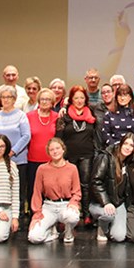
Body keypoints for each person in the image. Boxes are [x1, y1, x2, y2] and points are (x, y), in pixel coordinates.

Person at [0, 86, 31, 219]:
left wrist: (12, 152)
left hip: (17, 160)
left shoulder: (21, 115)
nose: (5, 100)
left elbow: (26, 136)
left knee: (18, 192)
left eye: (8, 97)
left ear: (14, 99)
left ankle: (18, 219)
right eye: (3, 97)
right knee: (0, 191)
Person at [56, 85, 96, 226]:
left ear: (86, 99)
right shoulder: (64, 115)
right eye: (76, 97)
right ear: (71, 99)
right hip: (69, 155)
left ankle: (86, 214)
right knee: (68, 185)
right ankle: (68, 214)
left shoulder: (92, 113)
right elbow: (59, 137)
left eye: (82, 97)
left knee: (85, 184)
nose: (79, 100)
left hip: (87, 154)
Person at [27, 137, 81, 243]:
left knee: (72, 217)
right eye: (51, 150)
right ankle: (52, 233)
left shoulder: (72, 168)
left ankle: (68, 231)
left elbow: (77, 191)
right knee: (34, 237)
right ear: (48, 152)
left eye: (57, 148)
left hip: (65, 205)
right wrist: (36, 214)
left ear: (63, 150)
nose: (55, 151)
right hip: (49, 207)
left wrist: (73, 203)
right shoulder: (42, 169)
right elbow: (37, 192)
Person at [90, 132, 134, 242]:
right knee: (108, 215)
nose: (128, 148)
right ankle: (102, 227)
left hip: (118, 203)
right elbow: (96, 181)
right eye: (126, 144)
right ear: (121, 144)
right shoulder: (106, 157)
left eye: (131, 145)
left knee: (119, 237)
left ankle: (111, 225)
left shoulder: (129, 162)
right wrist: (106, 202)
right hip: (100, 203)